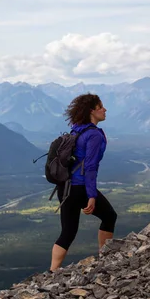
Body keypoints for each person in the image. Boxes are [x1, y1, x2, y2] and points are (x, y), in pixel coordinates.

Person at [50, 93, 117, 272]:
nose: (105, 110)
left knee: (68, 231)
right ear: (91, 111)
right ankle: (105, 258)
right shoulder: (94, 135)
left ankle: (52, 271)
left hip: (64, 187)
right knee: (110, 216)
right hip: (80, 188)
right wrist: (92, 195)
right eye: (100, 107)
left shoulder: (76, 129)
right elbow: (91, 167)